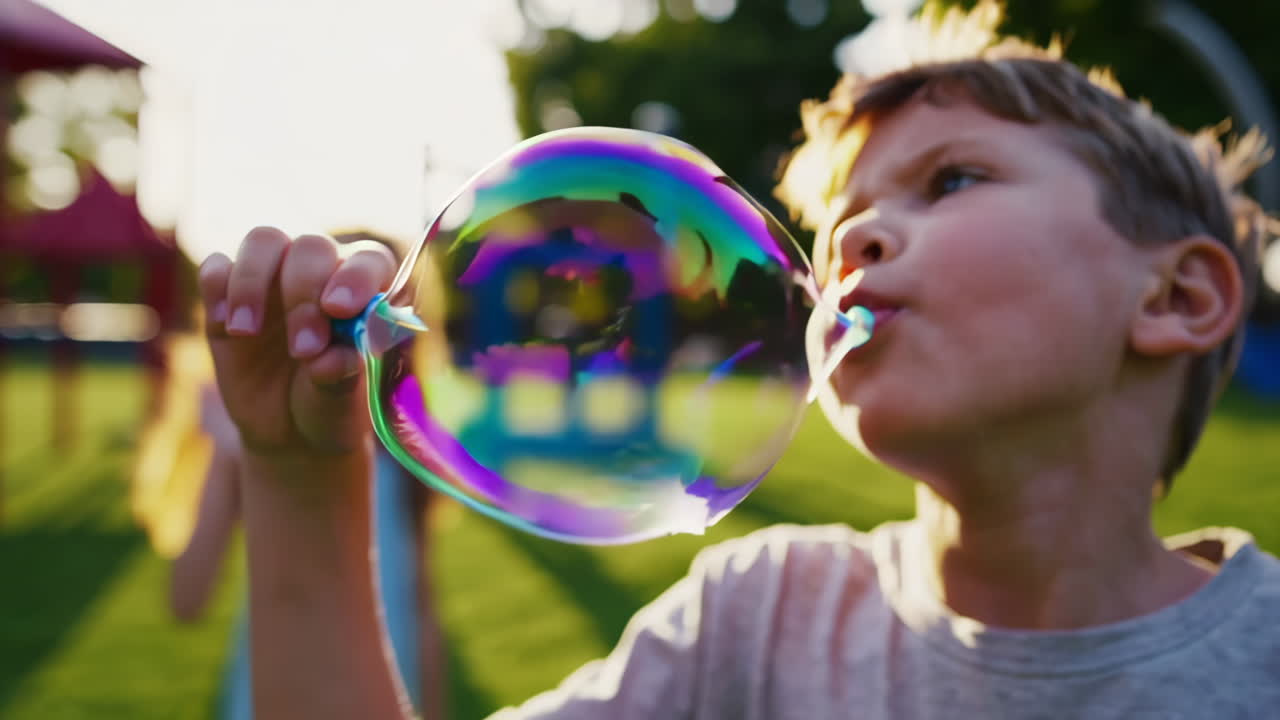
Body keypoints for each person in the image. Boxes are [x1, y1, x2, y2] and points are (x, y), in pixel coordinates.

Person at [195, 2, 1280, 718]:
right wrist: (297, 473)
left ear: (1176, 297)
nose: (854, 238)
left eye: (950, 181)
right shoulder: (757, 620)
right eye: (841, 218)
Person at [142, 234, 448, 720]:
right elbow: (187, 599)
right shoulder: (249, 447)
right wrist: (242, 455)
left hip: (389, 690)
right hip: (283, 684)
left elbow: (421, 597)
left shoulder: (409, 454)